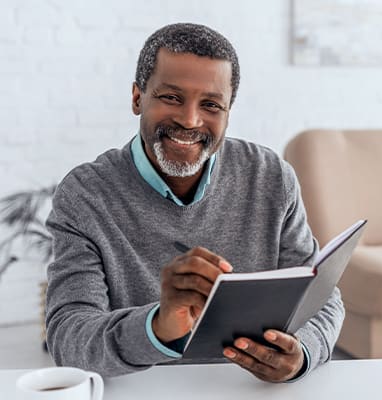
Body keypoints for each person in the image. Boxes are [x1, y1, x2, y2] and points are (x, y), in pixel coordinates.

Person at [45, 23, 345, 382]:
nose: (189, 120)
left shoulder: (271, 178)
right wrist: (157, 326)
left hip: (245, 389)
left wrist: (302, 354)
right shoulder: (86, 195)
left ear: (228, 111)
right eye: (171, 97)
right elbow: (68, 337)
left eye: (211, 105)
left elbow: (322, 298)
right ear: (138, 98)